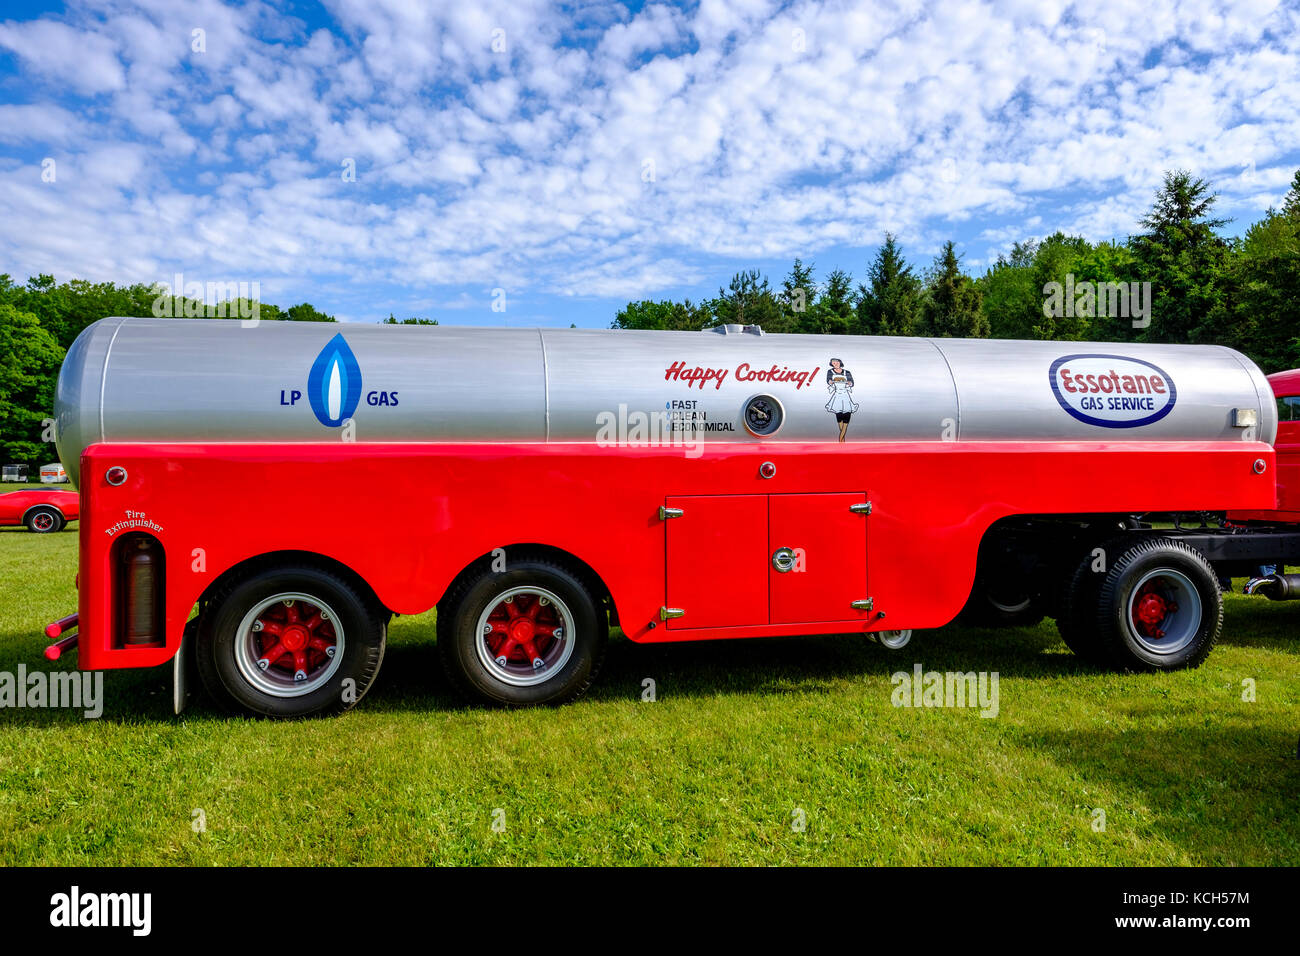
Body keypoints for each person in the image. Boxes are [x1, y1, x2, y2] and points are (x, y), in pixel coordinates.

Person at [825, 358, 858, 442]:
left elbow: (852, 382)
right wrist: (830, 382)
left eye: (836, 362)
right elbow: (828, 380)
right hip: (837, 395)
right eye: (833, 363)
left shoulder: (846, 372)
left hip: (845, 394)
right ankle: (842, 439)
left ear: (840, 363)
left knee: (847, 413)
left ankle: (841, 439)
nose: (835, 364)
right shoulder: (830, 372)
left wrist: (850, 383)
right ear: (831, 364)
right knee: (839, 414)